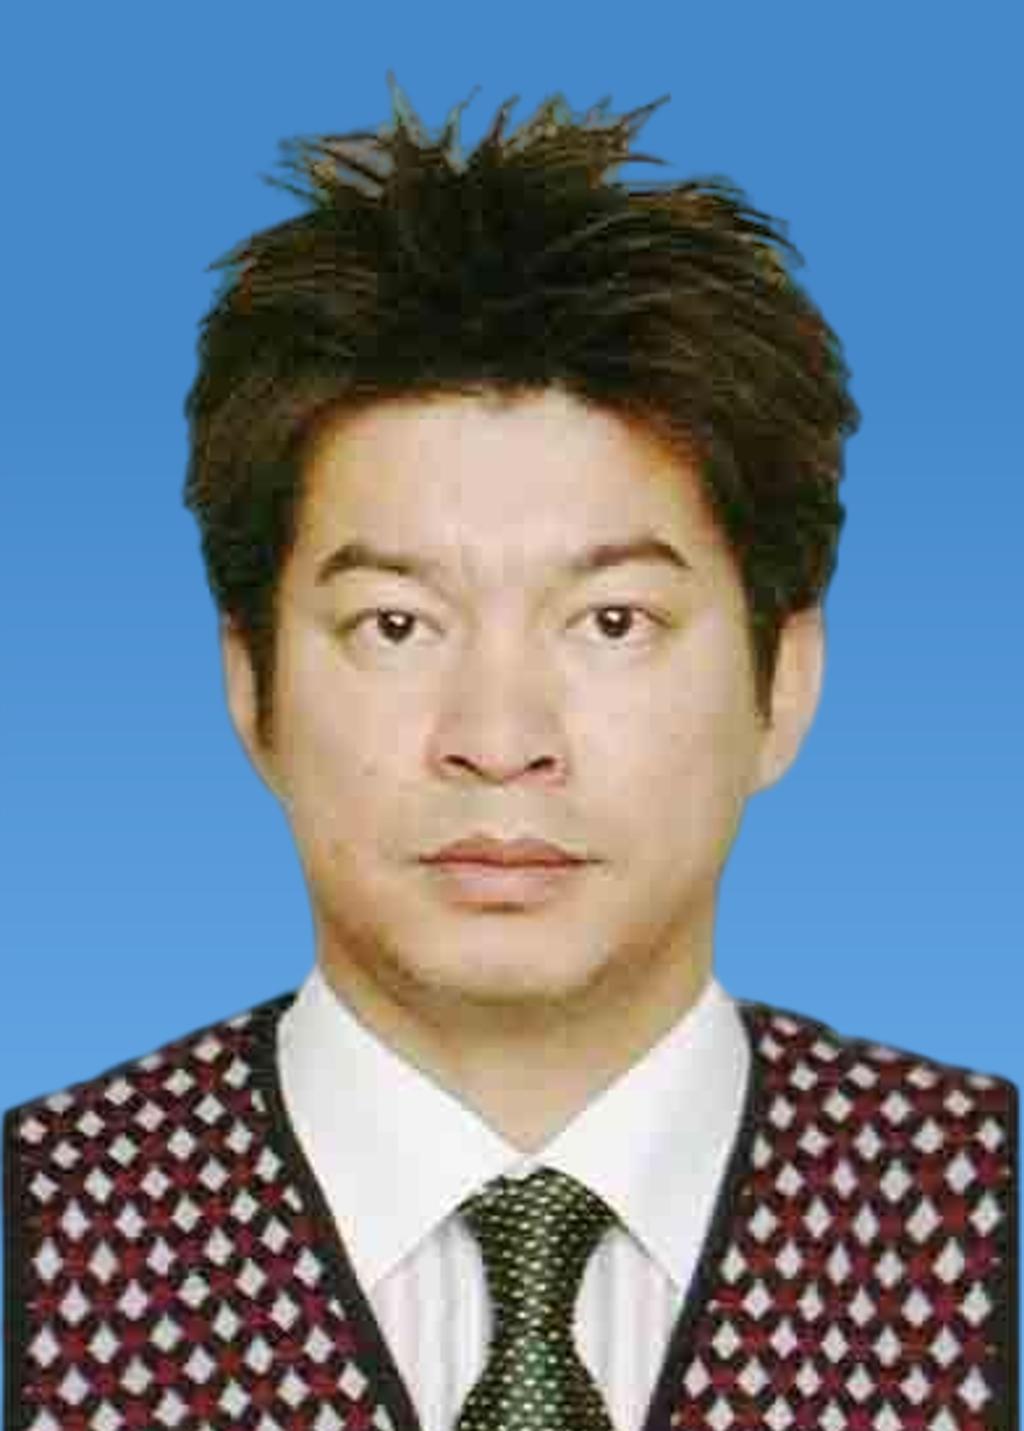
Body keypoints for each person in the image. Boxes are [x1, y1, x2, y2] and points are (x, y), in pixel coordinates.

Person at [4, 81, 1016, 1431]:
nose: (499, 741)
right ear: (250, 685)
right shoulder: (42, 1228)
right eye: (396, 624)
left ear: (787, 682)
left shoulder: (981, 1210)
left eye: (613, 622)